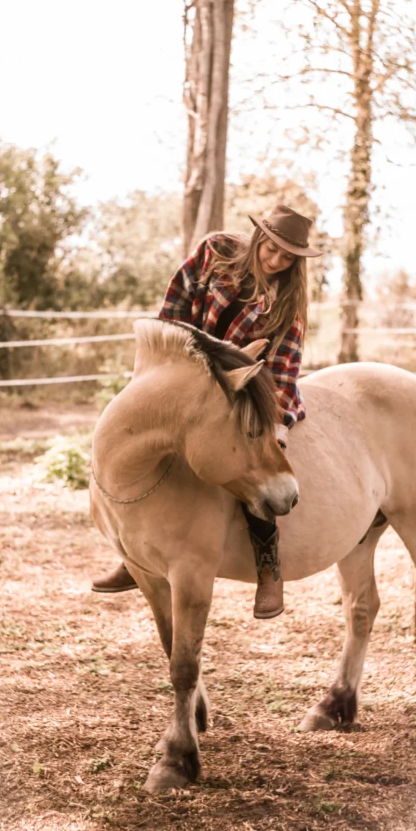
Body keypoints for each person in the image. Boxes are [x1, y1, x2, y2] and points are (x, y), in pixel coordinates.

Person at [92, 204, 321, 619]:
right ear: (259, 238)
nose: (276, 261)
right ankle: (138, 555)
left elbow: (285, 369)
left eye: (288, 258)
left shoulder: (288, 304)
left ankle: (268, 563)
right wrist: (168, 372)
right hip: (187, 371)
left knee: (252, 464)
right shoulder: (214, 251)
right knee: (147, 446)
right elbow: (174, 310)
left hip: (245, 389)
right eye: (272, 249)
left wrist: (274, 422)